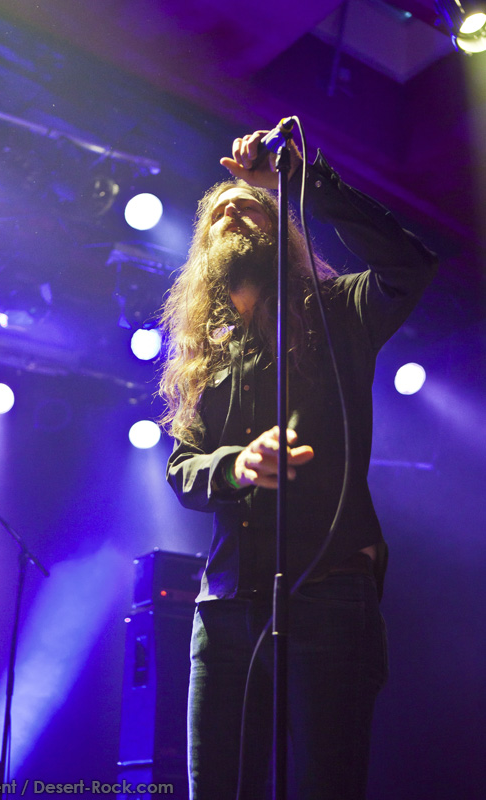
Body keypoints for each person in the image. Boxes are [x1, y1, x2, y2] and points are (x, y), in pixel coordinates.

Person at [159, 130, 438, 800]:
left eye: (249, 206)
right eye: (220, 210)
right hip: (226, 610)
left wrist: (300, 183)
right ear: (203, 247)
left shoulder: (339, 312)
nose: (233, 210)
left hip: (329, 595)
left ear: (282, 230)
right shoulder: (202, 357)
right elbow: (182, 469)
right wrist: (236, 465)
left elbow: (409, 265)